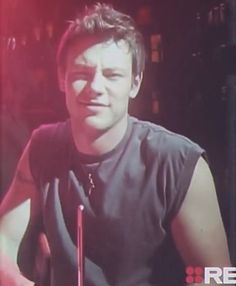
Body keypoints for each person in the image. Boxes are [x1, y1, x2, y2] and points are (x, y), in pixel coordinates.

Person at [0, 3, 232, 286]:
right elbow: (4, 239)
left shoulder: (179, 163)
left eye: (112, 75)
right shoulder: (42, 148)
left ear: (135, 83)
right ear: (62, 78)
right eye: (83, 73)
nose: (95, 86)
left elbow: (218, 275)